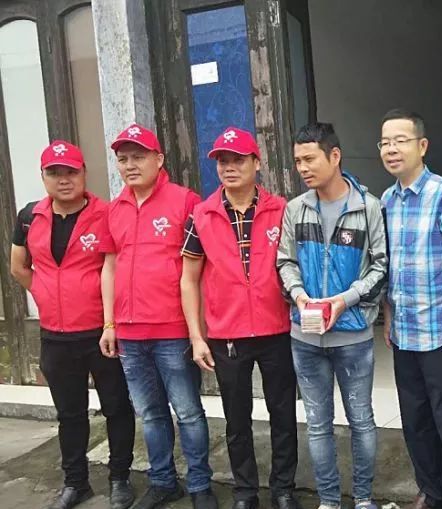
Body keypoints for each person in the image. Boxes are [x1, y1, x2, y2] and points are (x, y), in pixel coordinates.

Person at [10, 140, 136, 509]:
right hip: (55, 336)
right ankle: (76, 482)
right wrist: (46, 293)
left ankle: (120, 478)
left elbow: (116, 268)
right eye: (55, 173)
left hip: (100, 332)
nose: (63, 179)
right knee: (69, 414)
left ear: (84, 173)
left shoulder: (106, 213)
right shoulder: (29, 216)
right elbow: (18, 267)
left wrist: (107, 318)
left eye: (71, 172)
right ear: (43, 176)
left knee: (117, 407)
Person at [182, 127, 301, 509]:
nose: (229, 167)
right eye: (223, 161)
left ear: (256, 163)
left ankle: (283, 488)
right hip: (226, 332)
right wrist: (197, 336)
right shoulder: (202, 215)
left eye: (238, 160)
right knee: (236, 419)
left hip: (276, 327)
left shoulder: (281, 210)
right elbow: (189, 279)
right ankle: (245, 491)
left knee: (283, 413)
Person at [100, 124, 217, 509]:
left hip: (173, 330)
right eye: (123, 159)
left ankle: (199, 484)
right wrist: (109, 323)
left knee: (188, 412)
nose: (130, 165)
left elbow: (199, 268)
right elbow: (109, 267)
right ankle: (163, 481)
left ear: (159, 159)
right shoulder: (114, 209)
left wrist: (198, 329)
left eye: (139, 157)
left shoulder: (184, 202)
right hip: (129, 334)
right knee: (150, 414)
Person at [277, 122, 387, 509]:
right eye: (298, 161)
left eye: (310, 159)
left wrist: (344, 300)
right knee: (318, 424)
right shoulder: (296, 209)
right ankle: (328, 501)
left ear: (334, 156)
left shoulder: (368, 207)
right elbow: (285, 262)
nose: (303, 168)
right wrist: (299, 295)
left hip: (352, 336)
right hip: (305, 338)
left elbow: (381, 266)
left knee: (361, 420)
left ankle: (363, 498)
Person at [379, 109, 442, 509]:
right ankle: (433, 492)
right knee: (416, 421)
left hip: (441, 329)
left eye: (400, 140)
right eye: (385, 142)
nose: (391, 149)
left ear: (422, 146)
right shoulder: (386, 200)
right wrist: (388, 316)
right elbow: (388, 264)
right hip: (404, 330)